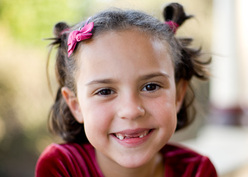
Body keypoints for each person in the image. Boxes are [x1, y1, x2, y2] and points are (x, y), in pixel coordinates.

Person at [35, 2, 217, 177]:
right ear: (76, 106)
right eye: (105, 91)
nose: (131, 111)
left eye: (150, 87)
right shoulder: (62, 166)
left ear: (178, 95)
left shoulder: (197, 171)